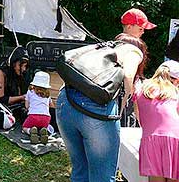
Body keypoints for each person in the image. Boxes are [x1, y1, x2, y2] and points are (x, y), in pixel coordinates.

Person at [56, 33, 148, 182]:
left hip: (64, 101)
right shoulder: (133, 50)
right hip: (95, 109)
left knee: (80, 170)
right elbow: (129, 76)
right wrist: (122, 106)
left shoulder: (100, 48)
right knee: (102, 176)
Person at [133, 60, 179, 182]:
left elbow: (139, 118)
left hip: (150, 140)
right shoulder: (175, 92)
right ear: (176, 81)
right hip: (175, 140)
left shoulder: (140, 90)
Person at [22, 71, 55, 144]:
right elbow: (52, 106)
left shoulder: (30, 91)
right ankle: (42, 131)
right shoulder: (48, 95)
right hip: (46, 118)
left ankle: (31, 131)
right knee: (45, 127)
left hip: (33, 116)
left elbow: (27, 105)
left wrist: (27, 109)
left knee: (24, 127)